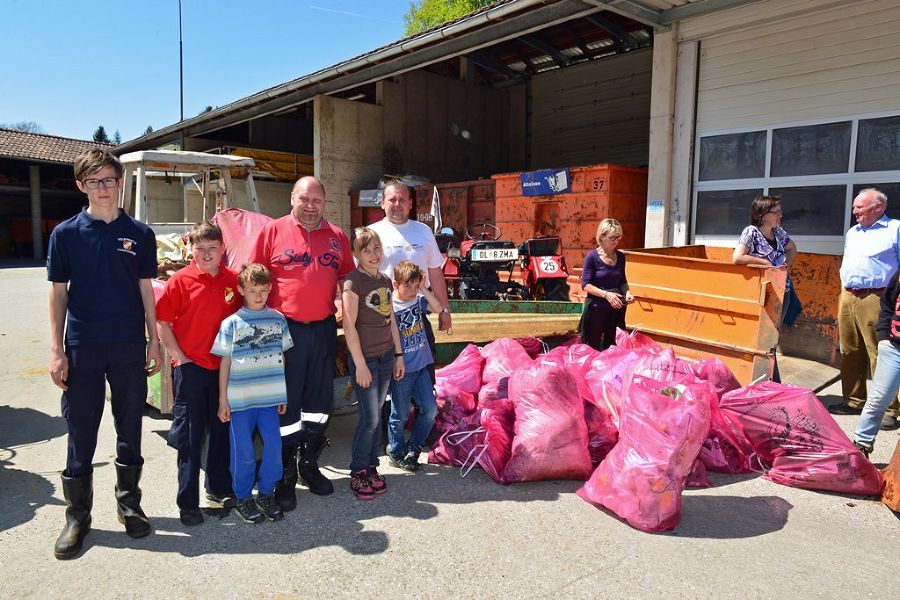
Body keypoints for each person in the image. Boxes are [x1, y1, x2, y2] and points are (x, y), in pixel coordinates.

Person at [47, 149, 161, 559]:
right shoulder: (66, 234)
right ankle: (78, 516)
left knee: (130, 425)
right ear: (82, 186)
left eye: (109, 180)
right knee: (81, 431)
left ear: (120, 183)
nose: (103, 188)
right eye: (94, 181)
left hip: (128, 344)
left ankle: (129, 504)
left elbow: (147, 289)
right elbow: (58, 293)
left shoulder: (140, 234)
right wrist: (58, 350)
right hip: (83, 347)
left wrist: (154, 339)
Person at [249, 176, 354, 511]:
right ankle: (284, 474)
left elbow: (348, 280)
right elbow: (252, 279)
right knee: (286, 403)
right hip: (283, 331)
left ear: (325, 203)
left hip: (322, 330)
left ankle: (309, 464)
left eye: (316, 201)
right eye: (304, 200)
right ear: (292, 198)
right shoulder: (272, 232)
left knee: (318, 400)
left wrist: (349, 309)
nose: (310, 207)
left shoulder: (337, 237)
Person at [156, 221, 239, 527]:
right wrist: (179, 357)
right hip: (191, 371)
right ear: (190, 249)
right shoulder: (179, 281)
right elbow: (162, 321)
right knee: (190, 439)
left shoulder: (234, 281)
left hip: (224, 371)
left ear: (222, 249)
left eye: (212, 248)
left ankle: (217, 489)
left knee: (220, 433)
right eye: (200, 248)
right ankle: (187, 502)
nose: (206, 254)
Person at [213, 263, 292, 523]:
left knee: (273, 447)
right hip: (241, 400)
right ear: (241, 290)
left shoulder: (278, 319)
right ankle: (243, 497)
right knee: (244, 451)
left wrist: (282, 394)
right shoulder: (231, 323)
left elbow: (280, 357)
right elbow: (224, 362)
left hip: (269, 399)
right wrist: (223, 400)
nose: (258, 296)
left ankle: (266, 493)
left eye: (263, 290)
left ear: (270, 288)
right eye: (252, 290)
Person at [341, 228, 404, 499]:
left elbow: (391, 320)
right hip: (365, 359)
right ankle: (358, 471)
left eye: (376, 248)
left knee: (378, 413)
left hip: (386, 355)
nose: (373, 255)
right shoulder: (353, 282)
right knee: (370, 418)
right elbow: (349, 325)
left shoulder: (386, 280)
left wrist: (398, 355)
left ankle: (371, 466)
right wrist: (360, 364)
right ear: (356, 254)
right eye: (366, 250)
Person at [832, 188, 900, 430]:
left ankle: (890, 409)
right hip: (848, 295)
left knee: (880, 353)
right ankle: (853, 400)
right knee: (850, 350)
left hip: (878, 297)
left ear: (878, 208)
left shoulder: (895, 229)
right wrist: (842, 293)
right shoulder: (853, 232)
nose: (854, 211)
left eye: (859, 207)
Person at [732, 195, 799, 382]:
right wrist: (765, 263)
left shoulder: (779, 233)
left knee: (771, 340)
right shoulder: (751, 232)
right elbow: (737, 257)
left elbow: (792, 248)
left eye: (780, 211)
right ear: (762, 214)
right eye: (775, 212)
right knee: (766, 340)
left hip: (782, 292)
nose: (780, 215)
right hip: (762, 294)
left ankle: (771, 383)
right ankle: (771, 383)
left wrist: (786, 268)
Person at [388, 260, 442, 471]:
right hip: (402, 370)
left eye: (414, 285)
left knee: (429, 410)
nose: (411, 290)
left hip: (421, 367)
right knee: (399, 414)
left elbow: (438, 307)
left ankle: (414, 447)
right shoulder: (390, 306)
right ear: (395, 284)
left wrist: (422, 289)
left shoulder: (418, 300)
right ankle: (396, 451)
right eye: (407, 285)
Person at [853, 269, 900, 456]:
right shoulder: (898, 275)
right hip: (893, 348)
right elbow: (887, 304)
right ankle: (861, 446)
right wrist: (883, 337)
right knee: (878, 400)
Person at [580, 218, 634, 351]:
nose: (616, 241)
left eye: (618, 237)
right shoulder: (592, 257)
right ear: (602, 236)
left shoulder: (621, 257)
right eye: (612, 237)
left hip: (615, 310)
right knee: (592, 347)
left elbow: (622, 280)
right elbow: (585, 284)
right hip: (596, 310)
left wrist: (627, 293)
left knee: (612, 347)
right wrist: (606, 295)